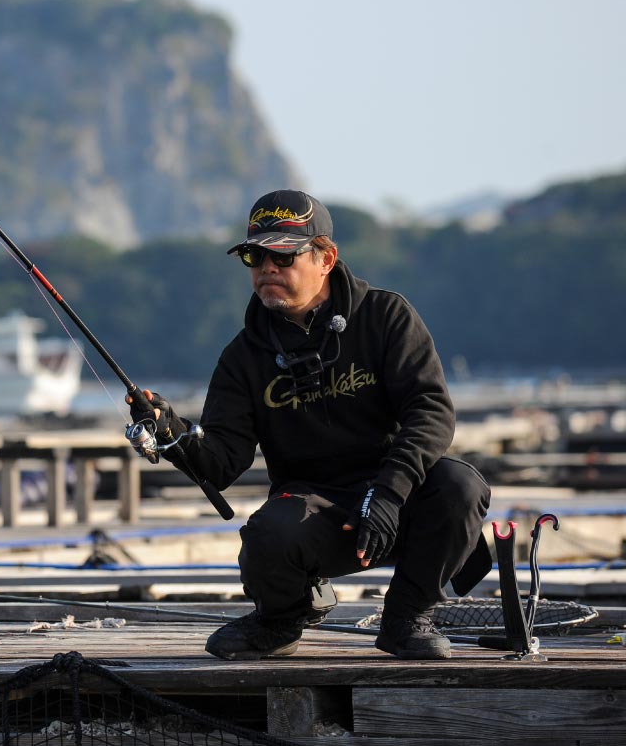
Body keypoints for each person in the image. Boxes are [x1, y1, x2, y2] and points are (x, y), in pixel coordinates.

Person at [128, 189, 491, 661]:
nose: (266, 268)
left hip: (396, 498)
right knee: (267, 534)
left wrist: (388, 491)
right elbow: (221, 463)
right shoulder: (241, 358)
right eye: (254, 257)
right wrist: (171, 432)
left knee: (460, 485)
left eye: (282, 254)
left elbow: (432, 412)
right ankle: (281, 621)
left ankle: (407, 618)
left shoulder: (386, 315)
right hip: (317, 508)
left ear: (326, 257)